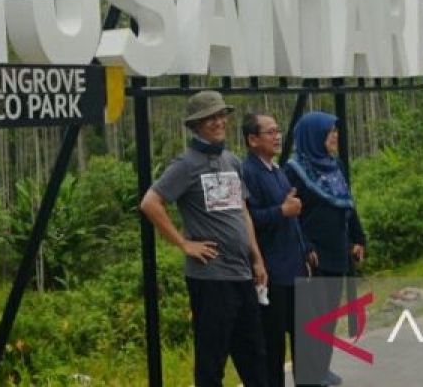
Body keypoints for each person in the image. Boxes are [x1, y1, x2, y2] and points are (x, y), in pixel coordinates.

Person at [139, 90, 269, 387]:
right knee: (212, 362)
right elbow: (150, 203)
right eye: (210, 117)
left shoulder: (232, 161)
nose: (218, 121)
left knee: (254, 357)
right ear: (196, 124)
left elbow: (242, 212)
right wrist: (184, 243)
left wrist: (257, 258)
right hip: (210, 279)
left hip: (241, 273)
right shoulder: (186, 164)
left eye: (221, 115)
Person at [285, 111, 365, 387]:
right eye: (329, 132)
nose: (335, 136)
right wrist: (305, 246)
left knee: (328, 316)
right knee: (311, 319)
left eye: (335, 131)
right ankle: (309, 375)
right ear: (314, 136)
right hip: (313, 256)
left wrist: (358, 238)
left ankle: (322, 368)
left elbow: (347, 204)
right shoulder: (294, 170)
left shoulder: (334, 165)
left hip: (338, 251)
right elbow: (291, 216)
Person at [241, 112, 307, 387]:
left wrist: (306, 249)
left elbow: (289, 216)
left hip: (294, 267)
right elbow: (249, 219)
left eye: (278, 130)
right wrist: (281, 210)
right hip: (273, 273)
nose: (277, 136)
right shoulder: (249, 173)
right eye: (270, 132)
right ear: (253, 139)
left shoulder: (276, 169)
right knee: (274, 346)